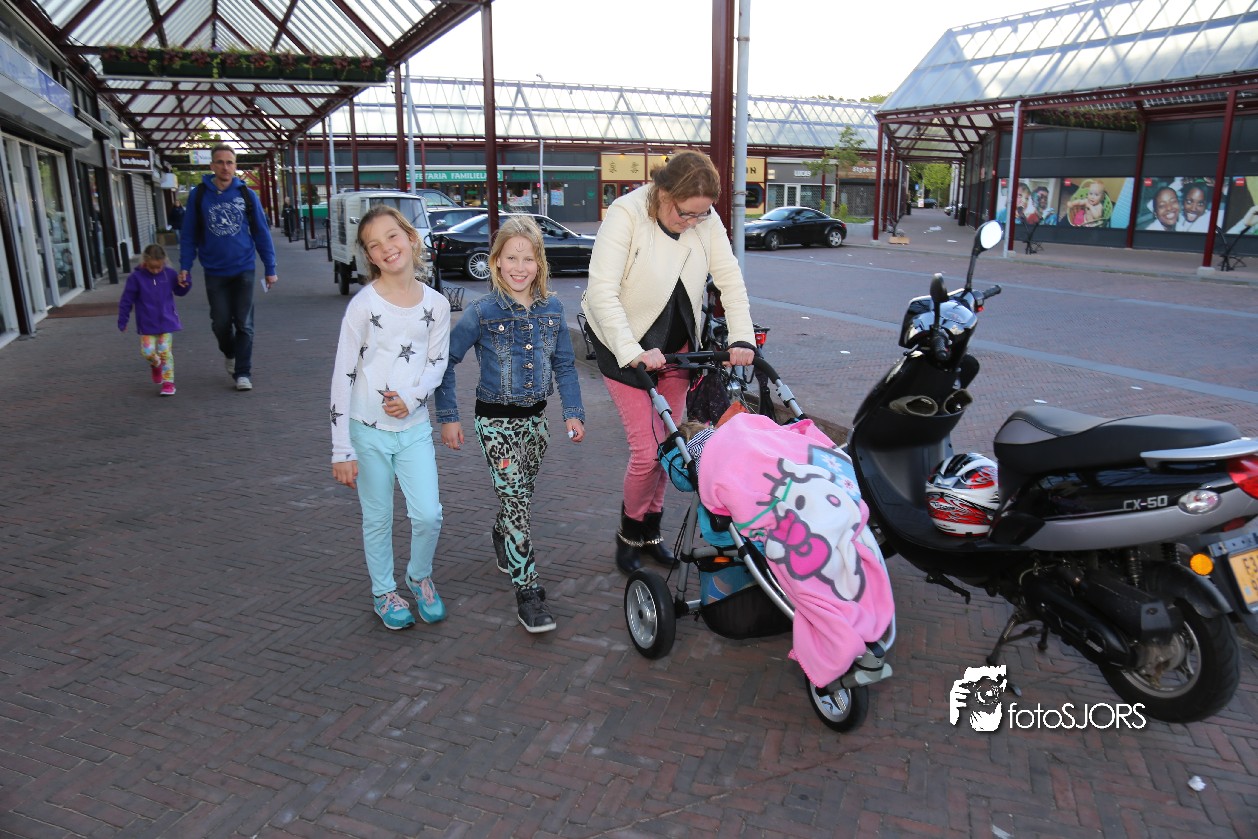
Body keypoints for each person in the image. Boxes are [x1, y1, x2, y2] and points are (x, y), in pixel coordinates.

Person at [581, 149, 757, 575]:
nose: (694, 222)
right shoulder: (626, 214)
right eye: (685, 213)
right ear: (663, 194)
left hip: (677, 347)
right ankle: (629, 533)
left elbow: (730, 280)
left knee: (670, 445)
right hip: (623, 341)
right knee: (646, 452)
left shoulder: (706, 220)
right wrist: (631, 351)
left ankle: (651, 531)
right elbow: (602, 291)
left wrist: (742, 337)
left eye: (702, 214)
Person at [435, 216, 586, 634]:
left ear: (540, 263)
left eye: (528, 258)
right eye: (511, 258)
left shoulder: (553, 309)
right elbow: (445, 362)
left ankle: (502, 533)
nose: (520, 267)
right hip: (495, 424)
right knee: (517, 502)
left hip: (536, 424)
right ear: (497, 261)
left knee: (520, 498)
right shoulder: (481, 313)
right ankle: (529, 591)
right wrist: (449, 417)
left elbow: (565, 365)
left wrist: (573, 411)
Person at [329, 205, 451, 631]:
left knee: (428, 514)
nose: (386, 248)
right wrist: (341, 448)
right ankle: (384, 591)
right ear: (369, 256)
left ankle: (419, 576)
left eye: (392, 236)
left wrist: (413, 399)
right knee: (378, 518)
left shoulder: (436, 304)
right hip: (367, 433)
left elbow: (437, 363)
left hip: (414, 430)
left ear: (411, 238)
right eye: (374, 244)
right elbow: (342, 375)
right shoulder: (362, 307)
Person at [179, 143, 277, 392]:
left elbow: (261, 232)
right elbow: (189, 234)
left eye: (230, 162)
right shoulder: (199, 195)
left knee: (244, 324)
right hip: (214, 271)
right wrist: (185, 266)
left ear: (235, 166)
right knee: (220, 323)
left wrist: (270, 267)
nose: (225, 167)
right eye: (220, 162)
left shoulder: (246, 194)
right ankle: (230, 353)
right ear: (212, 165)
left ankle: (243, 373)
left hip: (244, 268)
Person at [118, 243, 191, 397]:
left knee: (165, 351)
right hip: (147, 323)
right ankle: (156, 364)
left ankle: (168, 382)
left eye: (159, 267)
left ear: (164, 262)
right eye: (152, 267)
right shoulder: (136, 278)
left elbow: (179, 290)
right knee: (147, 352)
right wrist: (123, 320)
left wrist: (186, 282)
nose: (156, 270)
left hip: (166, 321)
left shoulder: (169, 274)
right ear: (145, 262)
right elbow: (126, 300)